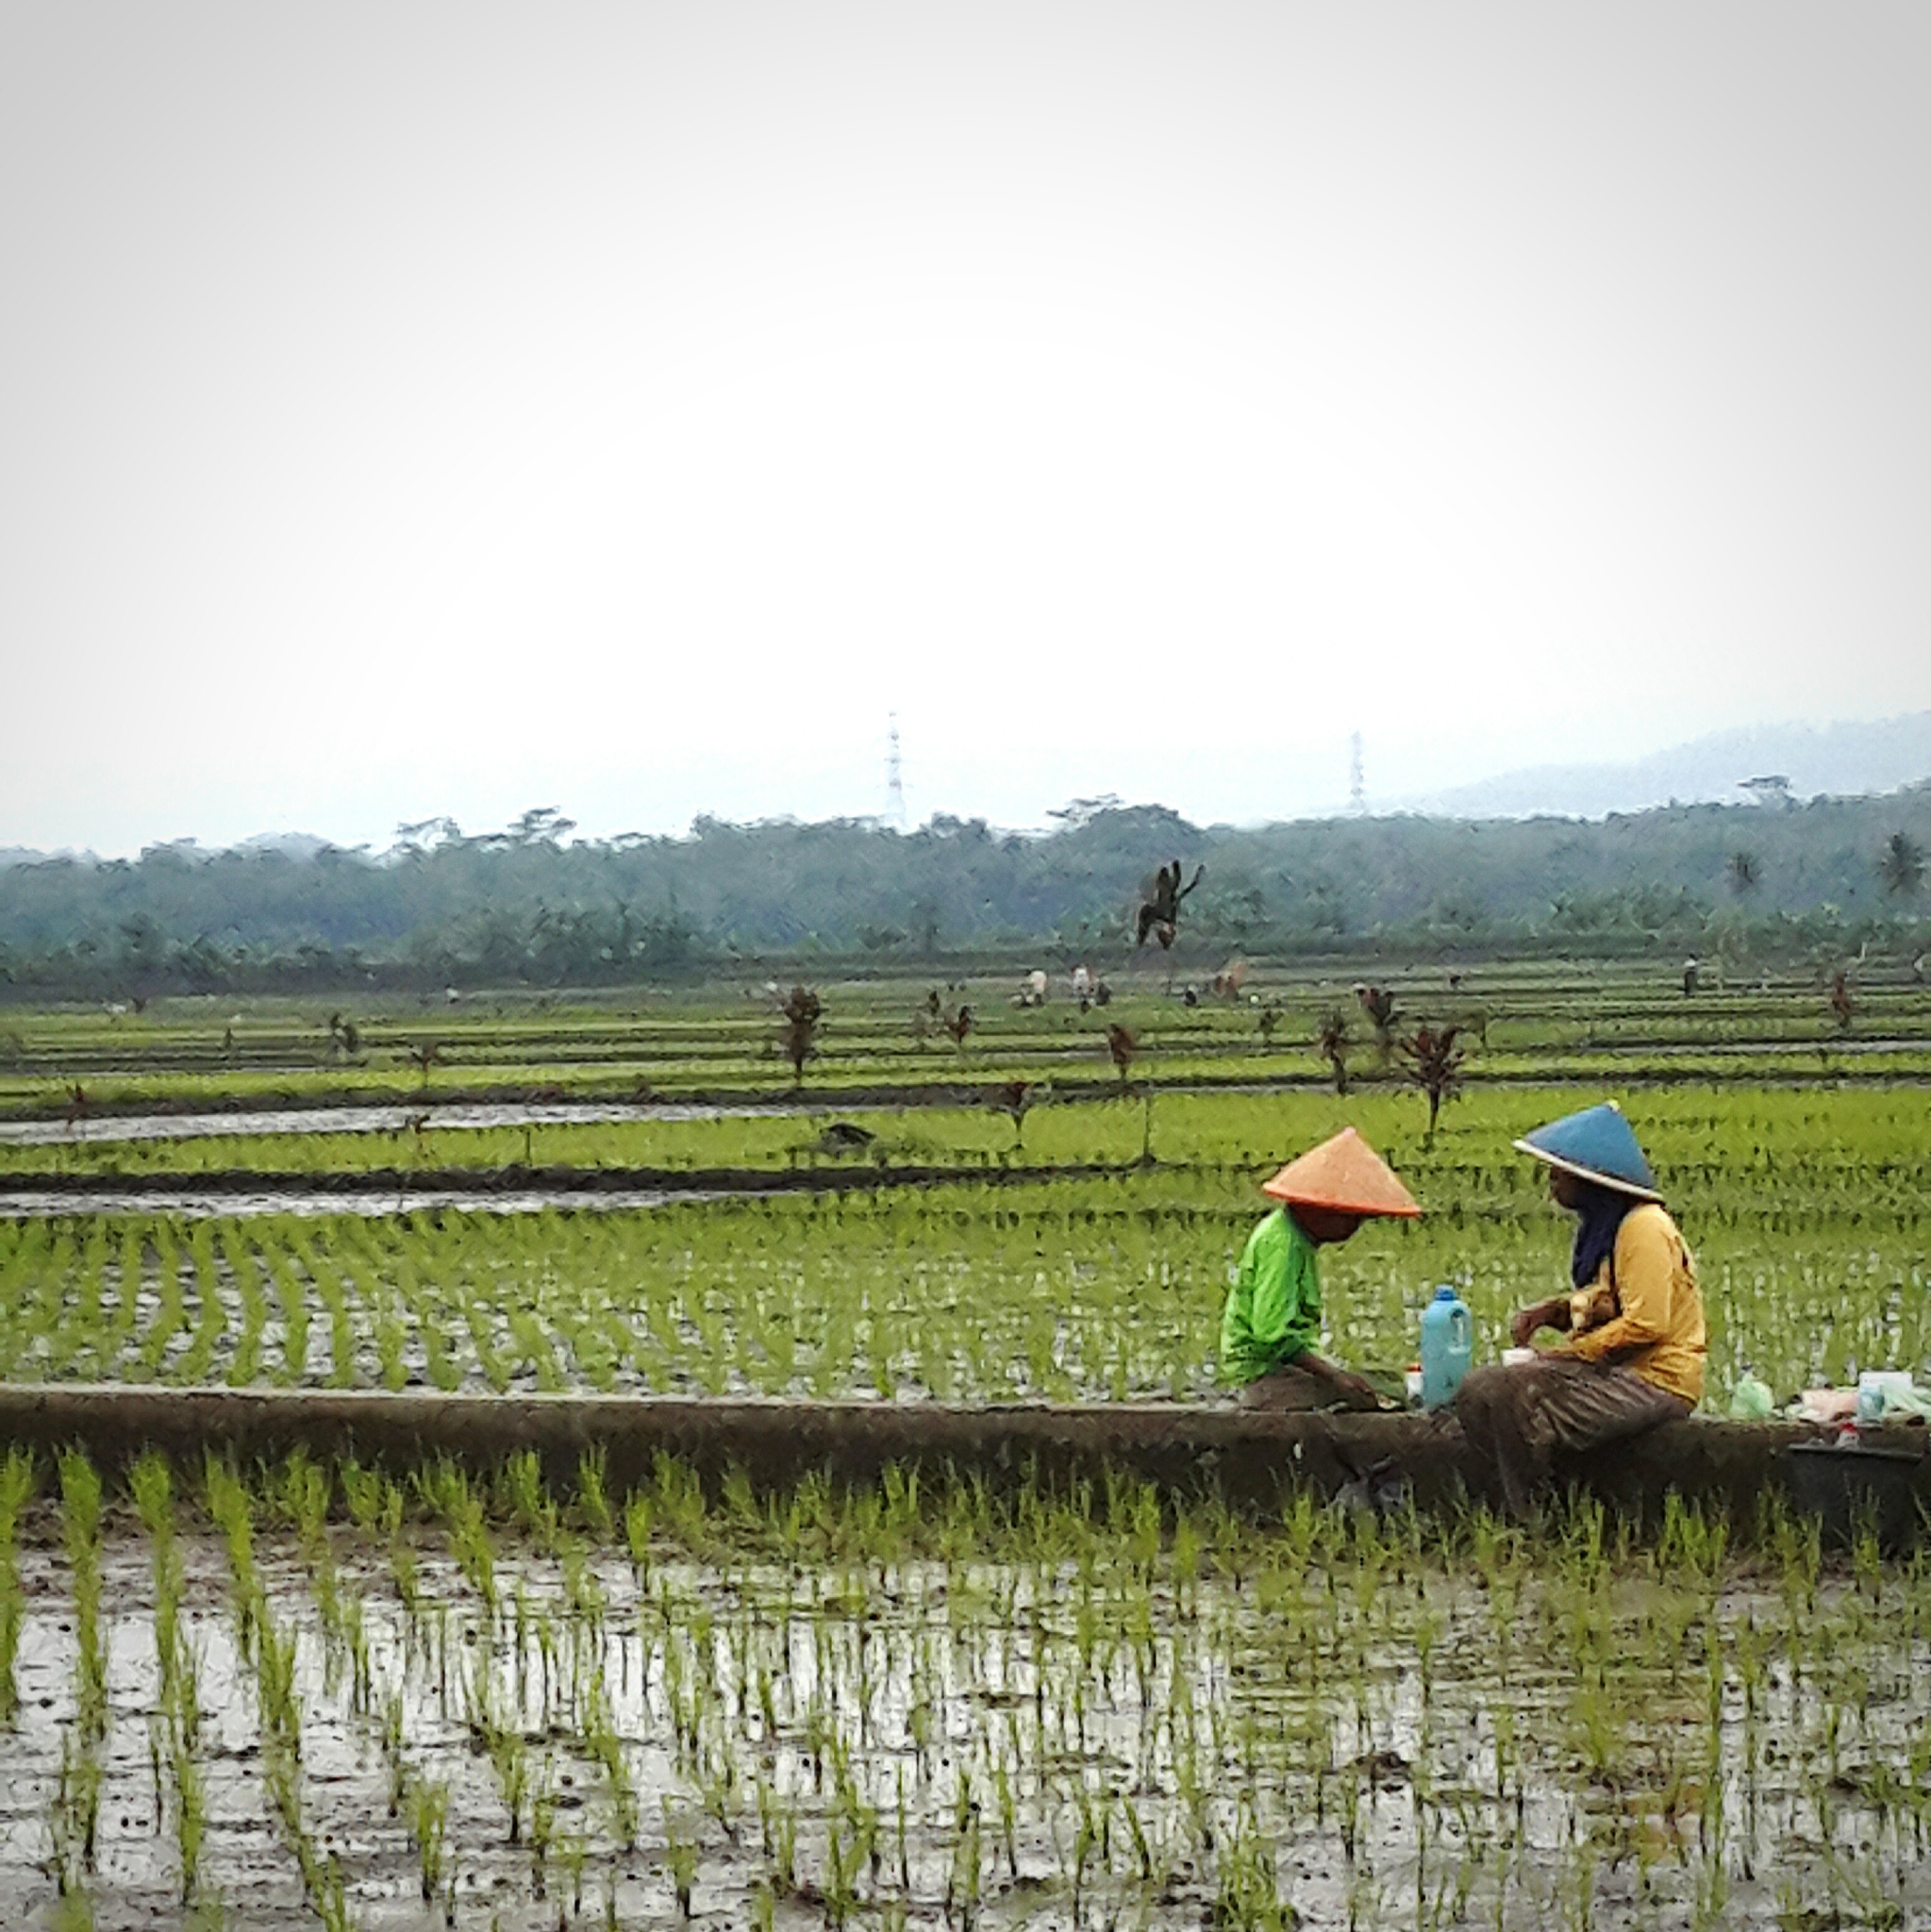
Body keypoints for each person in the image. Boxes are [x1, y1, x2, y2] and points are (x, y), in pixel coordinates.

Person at [1453, 1102, 1706, 1517]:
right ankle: (1532, 1503)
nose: (1551, 1184)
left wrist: (1563, 1355)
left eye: (1559, 1174)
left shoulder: (1644, 1227)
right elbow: (1608, 1300)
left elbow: (1647, 1324)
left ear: (1591, 1180)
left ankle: (1535, 1516)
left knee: (1509, 1396)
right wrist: (1553, 1313)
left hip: (1655, 1380)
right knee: (1480, 1391)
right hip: (1620, 1372)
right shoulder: (1614, 1229)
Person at [1222, 1126, 1422, 1411]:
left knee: (1387, 1382)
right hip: (1263, 1377)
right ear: (1321, 1209)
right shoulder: (1282, 1245)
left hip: (1285, 1371)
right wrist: (1335, 1377)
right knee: (1369, 1400)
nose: (1353, 1230)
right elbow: (1271, 1335)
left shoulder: (1296, 1240)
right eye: (1351, 1219)